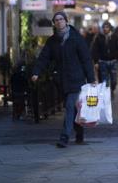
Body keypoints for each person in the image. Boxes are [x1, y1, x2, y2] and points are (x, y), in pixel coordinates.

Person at [31, 11, 95, 148]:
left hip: (76, 79)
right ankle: (79, 132)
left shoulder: (76, 38)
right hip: (61, 81)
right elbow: (44, 58)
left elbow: (86, 60)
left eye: (61, 19)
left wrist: (91, 78)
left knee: (70, 107)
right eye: (56, 20)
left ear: (66, 21)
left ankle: (64, 137)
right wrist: (36, 72)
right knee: (74, 109)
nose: (59, 22)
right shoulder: (52, 41)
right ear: (54, 23)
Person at [92, 21, 118, 94]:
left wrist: (116, 57)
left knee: (114, 80)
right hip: (103, 61)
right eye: (104, 27)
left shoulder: (115, 37)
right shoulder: (99, 37)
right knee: (105, 80)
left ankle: (112, 88)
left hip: (113, 61)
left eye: (107, 27)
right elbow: (95, 50)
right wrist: (96, 61)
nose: (105, 29)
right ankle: (107, 94)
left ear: (110, 28)